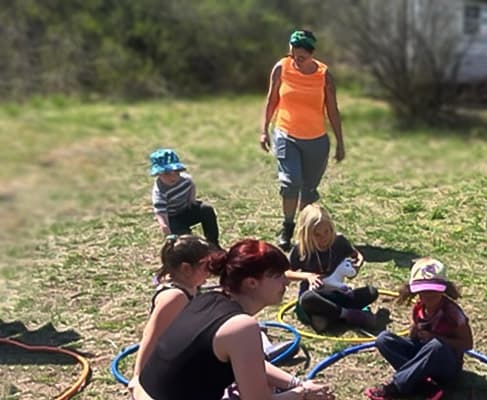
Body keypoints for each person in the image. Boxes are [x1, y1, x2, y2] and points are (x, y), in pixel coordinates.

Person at [134, 239, 334, 400]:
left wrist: (296, 384)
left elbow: (250, 365)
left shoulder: (207, 298)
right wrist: (304, 394)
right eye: (276, 275)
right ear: (252, 283)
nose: (285, 282)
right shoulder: (242, 327)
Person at [260, 29, 346, 251]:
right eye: (293, 54)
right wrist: (264, 129)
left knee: (308, 190)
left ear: (311, 54)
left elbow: (333, 111)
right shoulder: (281, 68)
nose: (296, 60)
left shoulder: (324, 75)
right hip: (286, 134)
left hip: (316, 140)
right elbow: (271, 100)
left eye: (302, 57)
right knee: (290, 183)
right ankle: (287, 227)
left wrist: (340, 142)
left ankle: (303, 231)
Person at [365, 258, 473, 400]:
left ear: (444, 289)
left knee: (436, 346)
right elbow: (413, 339)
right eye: (423, 291)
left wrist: (437, 339)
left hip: (446, 366)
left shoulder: (454, 314)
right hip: (423, 356)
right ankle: (425, 386)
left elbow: (467, 344)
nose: (428, 295)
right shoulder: (419, 307)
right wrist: (415, 330)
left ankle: (396, 387)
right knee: (384, 339)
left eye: (433, 290)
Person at [127, 235, 217, 394]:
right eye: (206, 265)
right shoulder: (174, 297)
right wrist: (138, 377)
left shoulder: (189, 284)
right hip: (171, 361)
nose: (210, 271)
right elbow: (151, 335)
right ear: (186, 269)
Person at [286, 204, 378, 332]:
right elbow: (286, 273)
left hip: (337, 293)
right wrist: (308, 276)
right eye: (317, 235)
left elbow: (356, 255)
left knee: (372, 292)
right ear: (306, 234)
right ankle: (348, 314)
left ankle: (329, 316)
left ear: (331, 228)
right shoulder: (301, 249)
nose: (323, 238)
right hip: (316, 295)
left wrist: (358, 263)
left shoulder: (338, 242)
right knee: (307, 299)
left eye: (326, 232)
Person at [149, 148, 221, 249]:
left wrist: (191, 200)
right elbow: (161, 213)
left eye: (176, 172)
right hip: (173, 218)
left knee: (206, 209)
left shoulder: (185, 179)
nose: (173, 177)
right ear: (158, 174)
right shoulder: (160, 192)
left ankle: (213, 243)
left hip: (185, 210)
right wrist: (167, 230)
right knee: (185, 242)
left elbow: (191, 185)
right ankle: (195, 251)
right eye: (167, 173)